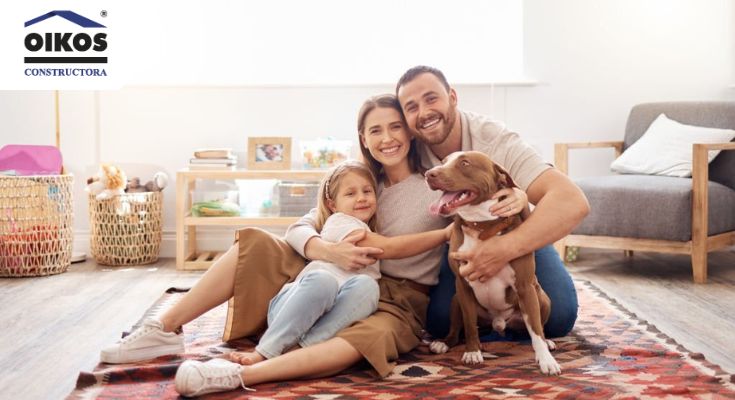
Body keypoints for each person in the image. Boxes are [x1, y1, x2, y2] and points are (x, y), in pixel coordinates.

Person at [171, 93, 529, 396]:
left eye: (395, 127)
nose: (387, 138)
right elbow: (303, 225)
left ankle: (239, 375)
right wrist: (325, 249)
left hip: (400, 299)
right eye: (376, 130)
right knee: (257, 242)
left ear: (409, 134)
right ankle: (164, 329)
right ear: (363, 137)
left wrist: (515, 194)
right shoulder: (359, 182)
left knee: (367, 339)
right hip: (338, 272)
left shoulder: (436, 184)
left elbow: (483, 207)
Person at [394, 65, 589, 339]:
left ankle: (502, 324)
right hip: (460, 240)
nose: (424, 113)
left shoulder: (494, 140)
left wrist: (505, 247)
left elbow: (572, 201)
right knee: (439, 322)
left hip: (511, 230)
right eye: (411, 107)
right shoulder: (401, 147)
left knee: (557, 317)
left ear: (452, 96)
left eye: (431, 98)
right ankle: (494, 326)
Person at [229, 160, 452, 365]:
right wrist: (443, 234)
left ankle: (303, 348)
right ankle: (265, 350)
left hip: (329, 316)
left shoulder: (366, 225)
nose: (362, 198)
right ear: (332, 204)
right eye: (350, 194)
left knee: (368, 287)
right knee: (323, 281)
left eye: (367, 191)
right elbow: (389, 248)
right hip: (294, 308)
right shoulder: (339, 223)